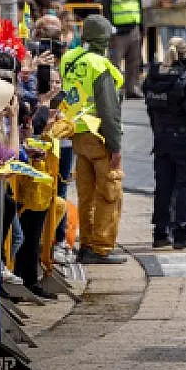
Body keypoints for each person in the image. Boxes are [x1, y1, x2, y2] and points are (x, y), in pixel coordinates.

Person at [61, 15, 127, 264]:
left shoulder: (70, 59)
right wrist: (115, 146)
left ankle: (86, 245)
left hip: (77, 134)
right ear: (104, 38)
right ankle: (101, 248)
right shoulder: (100, 65)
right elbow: (109, 111)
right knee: (109, 192)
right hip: (99, 135)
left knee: (86, 194)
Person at [143, 38, 186, 250]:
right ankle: (182, 232)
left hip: (162, 139)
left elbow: (150, 109)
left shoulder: (153, 77)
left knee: (164, 186)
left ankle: (160, 233)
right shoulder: (185, 80)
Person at [96, 0, 143, 96]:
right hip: (117, 31)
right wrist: (110, 28)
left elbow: (138, 4)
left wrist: (142, 26)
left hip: (133, 27)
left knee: (134, 61)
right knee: (115, 62)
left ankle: (132, 89)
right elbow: (106, 8)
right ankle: (115, 90)